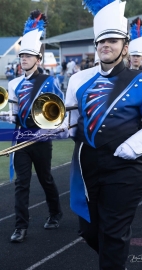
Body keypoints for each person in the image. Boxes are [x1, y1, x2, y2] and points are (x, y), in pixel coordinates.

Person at [58, 0, 142, 269]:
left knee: (114, 234)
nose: (104, 46)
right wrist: (60, 127)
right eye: (100, 41)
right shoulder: (78, 80)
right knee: (89, 232)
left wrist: (133, 146)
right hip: (86, 168)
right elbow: (72, 124)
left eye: (111, 40)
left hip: (126, 168)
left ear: (124, 45)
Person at [0, 10, 64, 243]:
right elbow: (15, 112)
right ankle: (20, 226)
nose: (24, 59)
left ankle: (55, 212)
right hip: (20, 137)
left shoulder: (49, 81)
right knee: (21, 183)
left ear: (38, 59)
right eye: (22, 56)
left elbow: (58, 110)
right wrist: (8, 117)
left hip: (41, 137)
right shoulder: (14, 82)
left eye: (28, 56)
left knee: (46, 178)